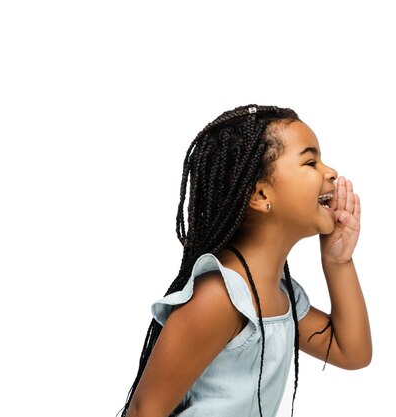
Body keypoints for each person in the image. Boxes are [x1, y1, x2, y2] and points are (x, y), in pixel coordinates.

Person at [120, 104, 372, 417]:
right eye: (310, 161)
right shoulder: (219, 297)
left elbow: (351, 352)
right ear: (261, 196)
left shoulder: (282, 296)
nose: (330, 172)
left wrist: (338, 262)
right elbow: (144, 411)